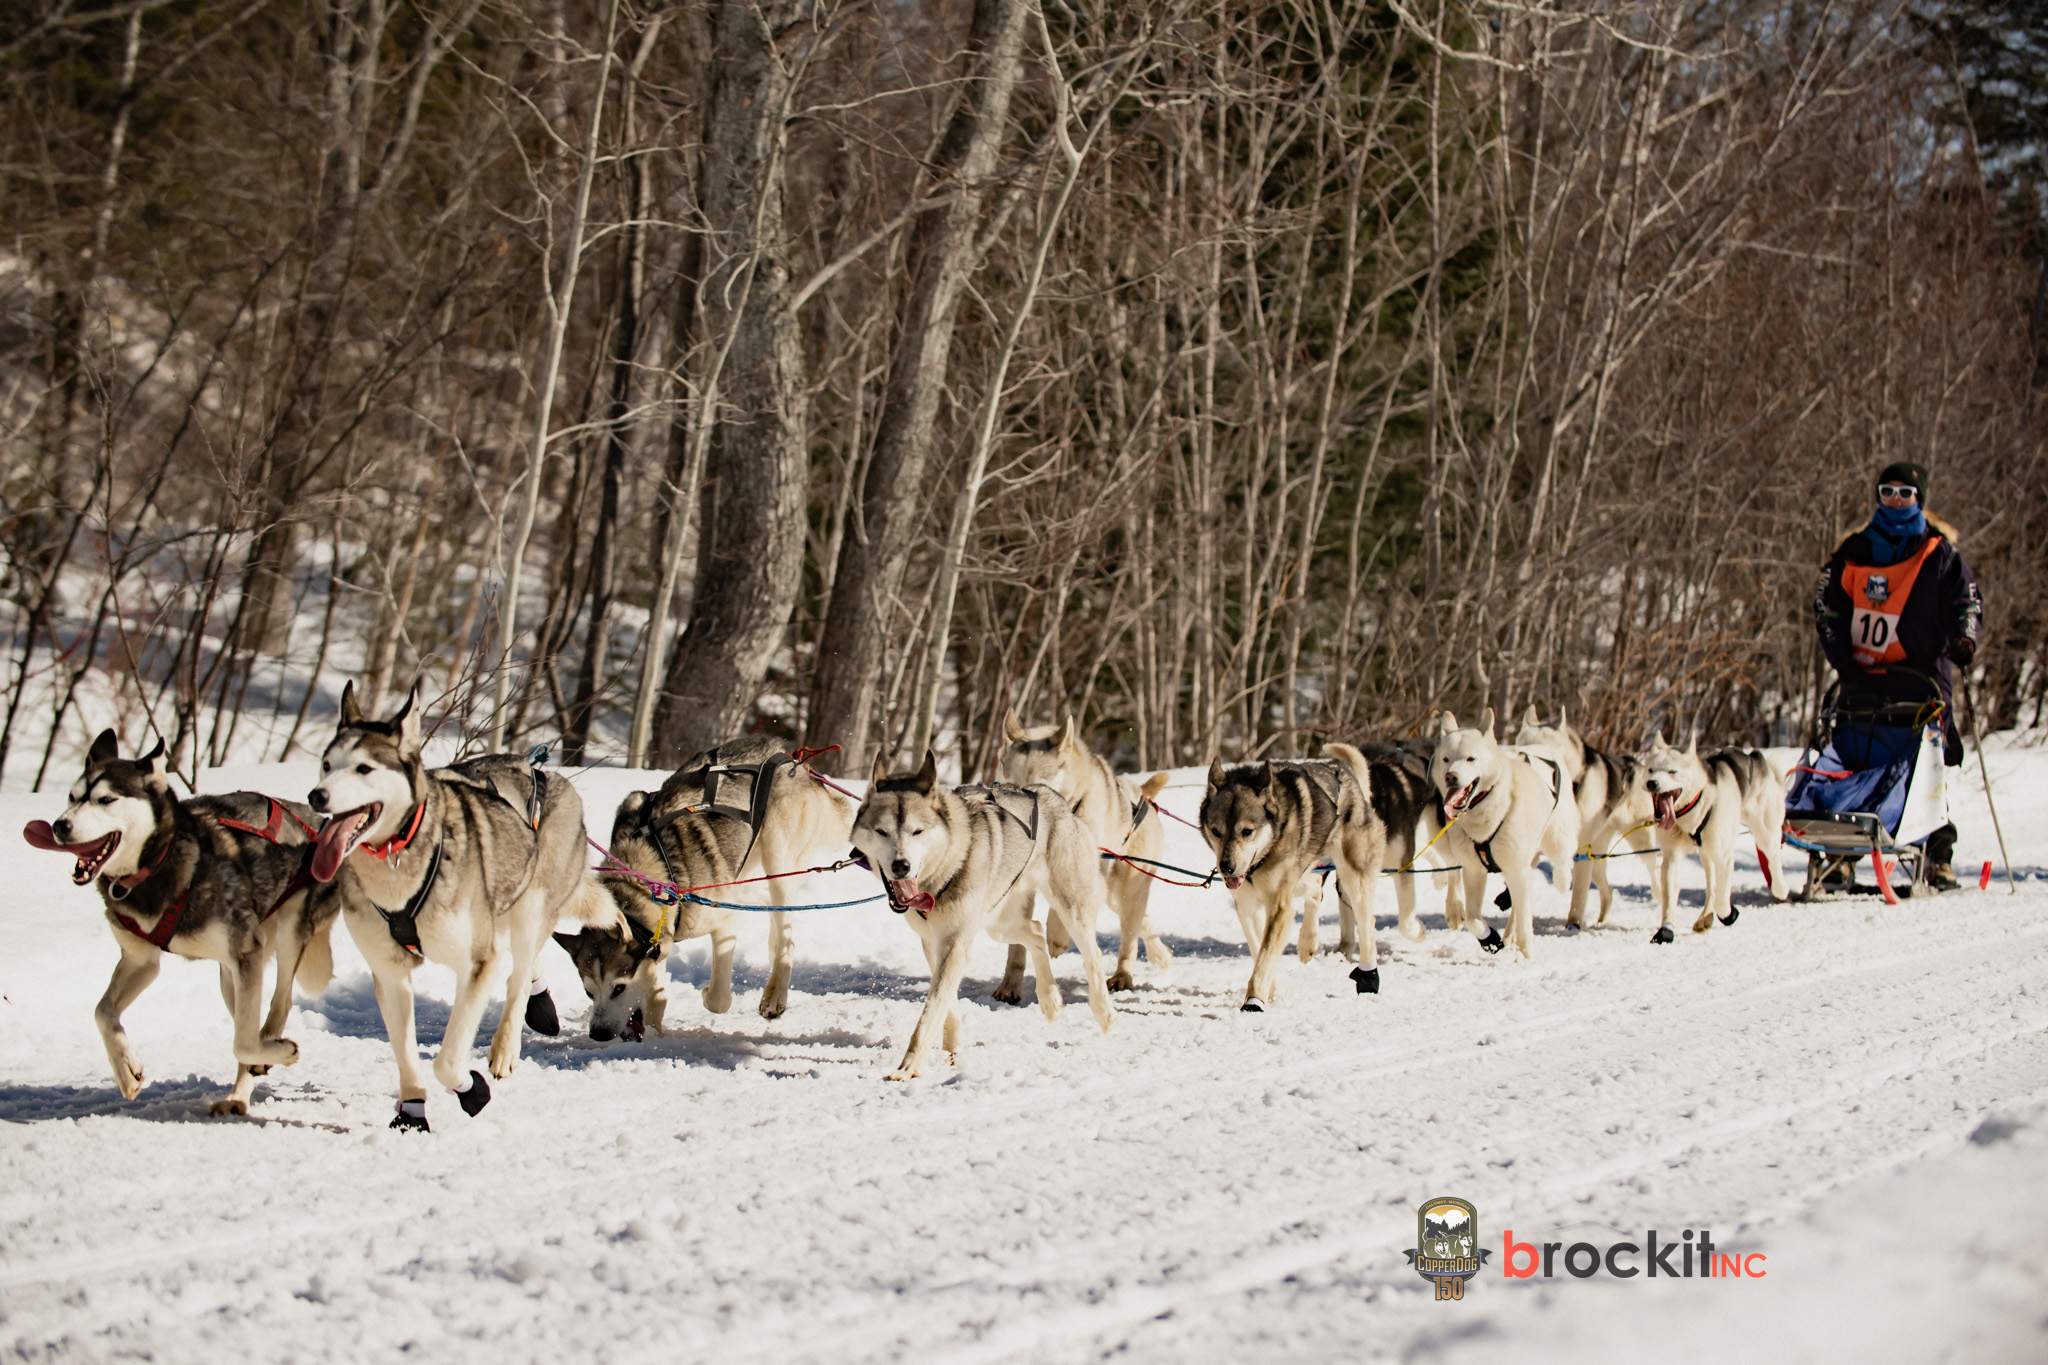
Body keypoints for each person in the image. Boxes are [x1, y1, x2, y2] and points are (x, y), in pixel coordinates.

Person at [1813, 461, 1982, 890]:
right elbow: (1827, 608)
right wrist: (1842, 660)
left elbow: (1967, 603)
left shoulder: (1940, 554)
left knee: (1927, 764)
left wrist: (1964, 639)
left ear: (1919, 499)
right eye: (1887, 491)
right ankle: (1841, 851)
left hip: (1921, 675)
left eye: (1905, 494)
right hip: (1861, 678)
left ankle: (1936, 852)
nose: (1894, 500)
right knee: (1854, 761)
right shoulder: (1853, 551)